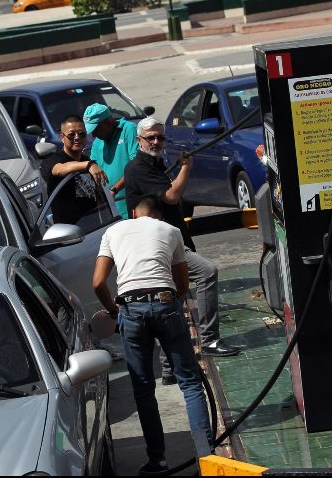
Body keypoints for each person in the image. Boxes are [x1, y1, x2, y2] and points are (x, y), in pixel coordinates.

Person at [93, 195, 215, 473]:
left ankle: (157, 461)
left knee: (144, 389)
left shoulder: (113, 231)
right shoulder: (170, 231)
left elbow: (98, 282)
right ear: (159, 216)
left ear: (134, 213)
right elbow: (182, 284)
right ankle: (207, 458)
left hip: (130, 308)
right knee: (190, 383)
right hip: (165, 303)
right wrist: (171, 306)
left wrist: (113, 310)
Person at [124, 117, 241, 372]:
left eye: (160, 137)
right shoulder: (138, 168)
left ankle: (169, 366)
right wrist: (186, 168)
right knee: (206, 273)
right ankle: (209, 340)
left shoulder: (154, 164)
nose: (156, 142)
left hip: (170, 240)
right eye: (151, 138)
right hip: (158, 244)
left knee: (174, 298)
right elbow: (171, 196)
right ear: (139, 140)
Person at [39, 115, 109, 227]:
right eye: (71, 135)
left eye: (82, 134)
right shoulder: (53, 160)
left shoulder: (87, 161)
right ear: (62, 137)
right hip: (68, 232)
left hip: (94, 229)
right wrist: (89, 165)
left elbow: (100, 200)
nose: (77, 138)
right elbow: (60, 169)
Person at [83, 103, 140, 220]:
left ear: (108, 122)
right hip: (112, 213)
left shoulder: (128, 129)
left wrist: (115, 189)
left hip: (134, 209)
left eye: (96, 129)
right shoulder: (97, 142)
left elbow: (137, 166)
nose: (93, 134)